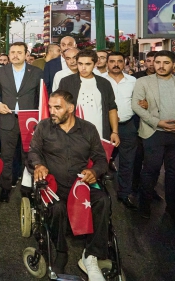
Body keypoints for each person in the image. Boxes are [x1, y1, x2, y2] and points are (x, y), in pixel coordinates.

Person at [27, 90, 109, 280]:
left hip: (79, 186)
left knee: (103, 200)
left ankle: (91, 255)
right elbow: (33, 151)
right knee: (56, 208)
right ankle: (61, 251)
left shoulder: (88, 129)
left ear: (70, 109)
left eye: (57, 107)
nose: (52, 111)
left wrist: (94, 172)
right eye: (50, 107)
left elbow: (101, 159)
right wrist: (38, 165)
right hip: (53, 185)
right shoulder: (44, 127)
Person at [132, 50, 175, 221]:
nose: (160, 66)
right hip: (153, 133)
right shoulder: (143, 82)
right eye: (157, 62)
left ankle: (171, 209)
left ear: (173, 65)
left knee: (174, 174)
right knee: (150, 171)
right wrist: (157, 122)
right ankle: (145, 206)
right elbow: (136, 106)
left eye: (165, 62)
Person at [0, 42, 43, 202]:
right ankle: (6, 188)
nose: (15, 55)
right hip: (8, 120)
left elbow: (40, 97)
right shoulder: (2, 71)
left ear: (26, 54)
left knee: (28, 156)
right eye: (12, 52)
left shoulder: (36, 72)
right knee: (6, 156)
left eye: (19, 52)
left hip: (30, 122)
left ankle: (27, 188)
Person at [57, 50, 120, 146]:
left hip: (99, 133)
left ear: (95, 64)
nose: (83, 68)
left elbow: (112, 108)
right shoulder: (66, 82)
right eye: (80, 64)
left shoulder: (104, 83)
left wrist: (115, 132)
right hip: (73, 135)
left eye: (88, 64)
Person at [103, 52, 138, 209]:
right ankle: (100, 195)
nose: (116, 64)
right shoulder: (100, 80)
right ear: (107, 63)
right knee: (102, 160)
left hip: (127, 125)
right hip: (105, 127)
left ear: (125, 63)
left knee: (127, 162)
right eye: (112, 61)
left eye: (119, 61)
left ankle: (124, 193)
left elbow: (138, 100)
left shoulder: (133, 81)